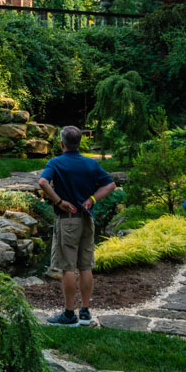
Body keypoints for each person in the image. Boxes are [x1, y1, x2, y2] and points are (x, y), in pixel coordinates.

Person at [37, 126, 119, 326]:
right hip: (86, 219)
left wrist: (58, 201)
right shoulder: (90, 164)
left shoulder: (56, 162)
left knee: (67, 267)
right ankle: (85, 311)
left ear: (62, 143)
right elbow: (110, 185)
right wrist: (92, 199)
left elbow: (43, 182)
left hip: (67, 220)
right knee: (85, 266)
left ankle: (68, 314)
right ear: (79, 143)